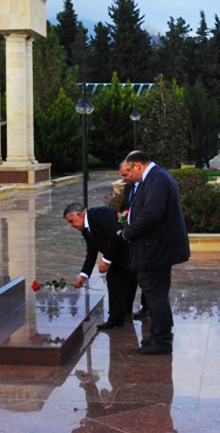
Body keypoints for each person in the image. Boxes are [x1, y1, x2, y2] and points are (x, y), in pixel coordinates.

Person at [121, 149, 190, 356]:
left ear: (137, 165)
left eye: (129, 171)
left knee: (156, 295)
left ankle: (162, 341)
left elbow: (151, 213)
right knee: (155, 294)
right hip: (155, 248)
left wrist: (129, 232)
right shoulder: (154, 178)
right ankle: (158, 335)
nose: (129, 176)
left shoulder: (156, 179)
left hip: (156, 250)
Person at [63, 202, 131, 329]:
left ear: (79, 214)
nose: (71, 226)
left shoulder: (100, 214)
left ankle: (155, 320)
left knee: (145, 284)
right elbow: (92, 251)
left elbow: (114, 236)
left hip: (131, 253)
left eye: (71, 221)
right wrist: (83, 275)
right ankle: (116, 318)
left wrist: (106, 260)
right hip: (119, 257)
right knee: (114, 280)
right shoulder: (85, 228)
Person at [117, 162, 146, 319]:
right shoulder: (128, 187)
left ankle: (147, 307)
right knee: (130, 272)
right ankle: (126, 306)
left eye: (125, 175)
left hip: (144, 238)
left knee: (144, 274)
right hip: (129, 237)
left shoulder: (146, 186)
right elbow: (124, 207)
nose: (123, 179)